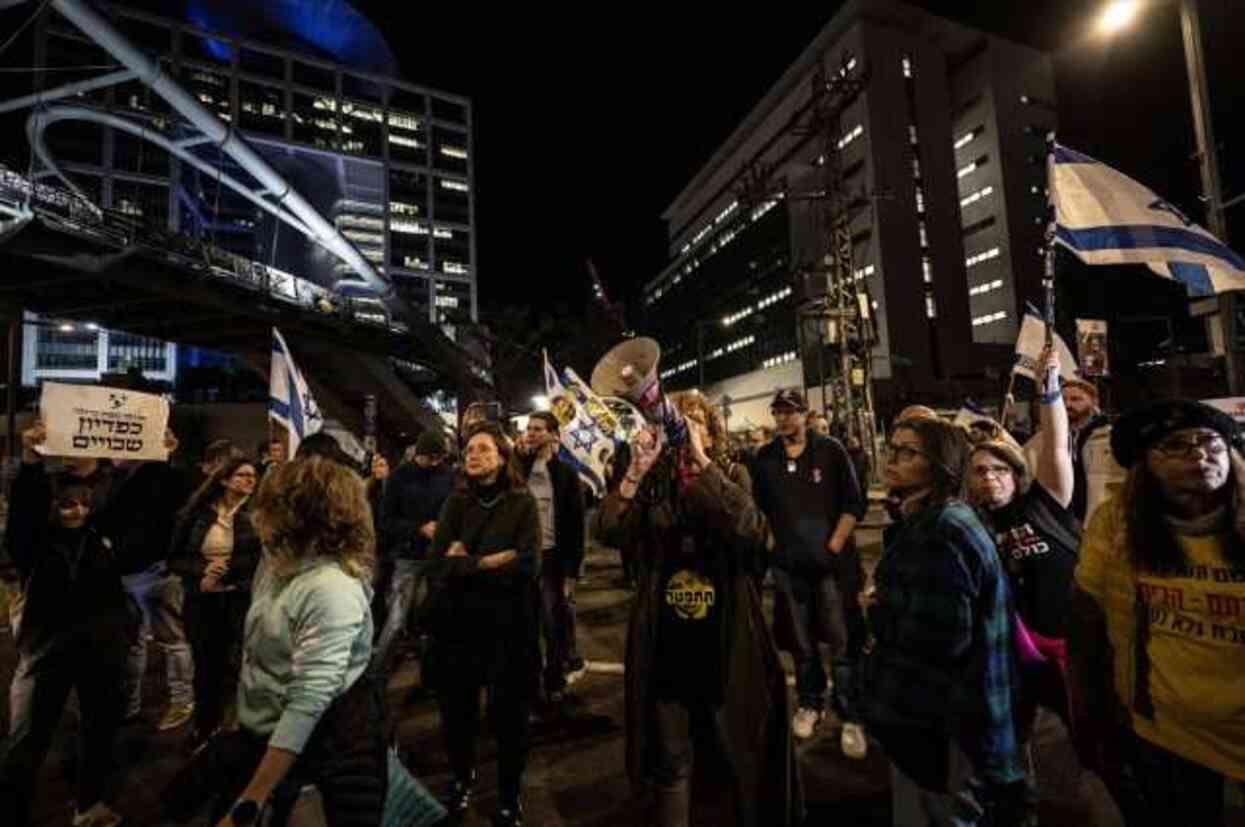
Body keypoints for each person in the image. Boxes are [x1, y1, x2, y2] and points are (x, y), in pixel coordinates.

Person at [595, 411, 801, 827]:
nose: (680, 433)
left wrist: (703, 465)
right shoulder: (654, 482)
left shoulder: (731, 473)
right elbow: (608, 531)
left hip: (727, 632)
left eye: (691, 423)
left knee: (736, 748)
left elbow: (750, 530)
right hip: (667, 637)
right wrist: (635, 471)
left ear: (710, 432)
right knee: (671, 755)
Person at [162, 456, 388, 827]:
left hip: (323, 749)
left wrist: (251, 800)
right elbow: (256, 659)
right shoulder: (276, 563)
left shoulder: (330, 588)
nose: (255, 513)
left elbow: (308, 702)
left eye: (269, 504)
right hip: (264, 735)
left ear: (299, 515)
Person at [1069, 400, 1245, 825]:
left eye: (1210, 442)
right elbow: (1086, 625)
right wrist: (1094, 719)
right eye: (1176, 446)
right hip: (1167, 739)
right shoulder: (1117, 526)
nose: (1200, 455)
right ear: (1143, 465)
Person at [860, 416, 1026, 825]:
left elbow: (938, 640)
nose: (892, 459)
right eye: (892, 447)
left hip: (946, 725)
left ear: (940, 464)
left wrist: (877, 613)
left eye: (908, 452)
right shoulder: (929, 520)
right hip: (943, 721)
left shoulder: (942, 530)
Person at [0, 421, 134, 827]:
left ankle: (88, 806)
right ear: (53, 508)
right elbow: (23, 517)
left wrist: (156, 459)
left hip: (101, 650)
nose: (76, 510)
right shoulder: (34, 545)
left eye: (82, 504)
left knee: (98, 732)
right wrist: (29, 462)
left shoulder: (102, 536)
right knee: (27, 738)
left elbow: (138, 503)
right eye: (66, 505)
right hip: (47, 648)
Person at [424, 422, 541, 826]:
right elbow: (437, 566)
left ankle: (510, 794)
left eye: (484, 449)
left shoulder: (522, 503)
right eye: (469, 449)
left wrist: (464, 562)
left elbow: (528, 565)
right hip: (459, 629)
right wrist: (488, 562)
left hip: (510, 630)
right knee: (458, 713)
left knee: (510, 718)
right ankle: (461, 777)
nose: (473, 454)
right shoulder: (454, 504)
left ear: (502, 456)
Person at [752, 389, 868, 755]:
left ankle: (850, 715)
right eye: (778, 412)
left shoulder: (830, 450)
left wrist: (833, 544)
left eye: (791, 411)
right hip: (788, 568)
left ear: (805, 414)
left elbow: (854, 502)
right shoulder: (765, 458)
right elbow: (761, 508)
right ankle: (810, 704)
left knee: (841, 644)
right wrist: (772, 545)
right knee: (801, 645)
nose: (784, 419)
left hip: (831, 568)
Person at [167, 456, 261, 743]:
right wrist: (201, 572)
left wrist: (223, 575)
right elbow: (174, 558)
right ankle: (205, 726)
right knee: (206, 665)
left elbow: (257, 560)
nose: (249, 480)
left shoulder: (258, 515)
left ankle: (233, 729)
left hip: (239, 598)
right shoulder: (198, 514)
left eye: (252, 476)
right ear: (224, 480)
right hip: (202, 599)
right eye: (242, 475)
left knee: (237, 665)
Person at [517, 411, 587, 708]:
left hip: (552, 559)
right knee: (525, 626)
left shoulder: (566, 475)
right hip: (522, 558)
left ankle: (555, 681)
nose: (531, 433)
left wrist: (572, 572)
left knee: (551, 623)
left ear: (553, 434)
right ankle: (529, 687)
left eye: (538, 429)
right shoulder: (517, 469)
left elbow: (576, 526)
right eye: (529, 429)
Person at [372, 429, 454, 679]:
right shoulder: (399, 478)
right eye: (431, 457)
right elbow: (385, 521)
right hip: (407, 556)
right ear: (419, 454)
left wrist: (445, 529)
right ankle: (375, 678)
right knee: (396, 621)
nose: (435, 463)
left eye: (440, 458)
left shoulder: (448, 476)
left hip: (439, 556)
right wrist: (419, 528)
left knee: (435, 622)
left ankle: (431, 678)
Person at [1022, 376, 1123, 524]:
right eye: (1062, 400)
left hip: (1101, 524)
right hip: (1058, 527)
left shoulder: (1112, 438)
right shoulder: (1038, 442)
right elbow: (1024, 478)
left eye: (1076, 399)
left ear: (1094, 402)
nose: (1067, 404)